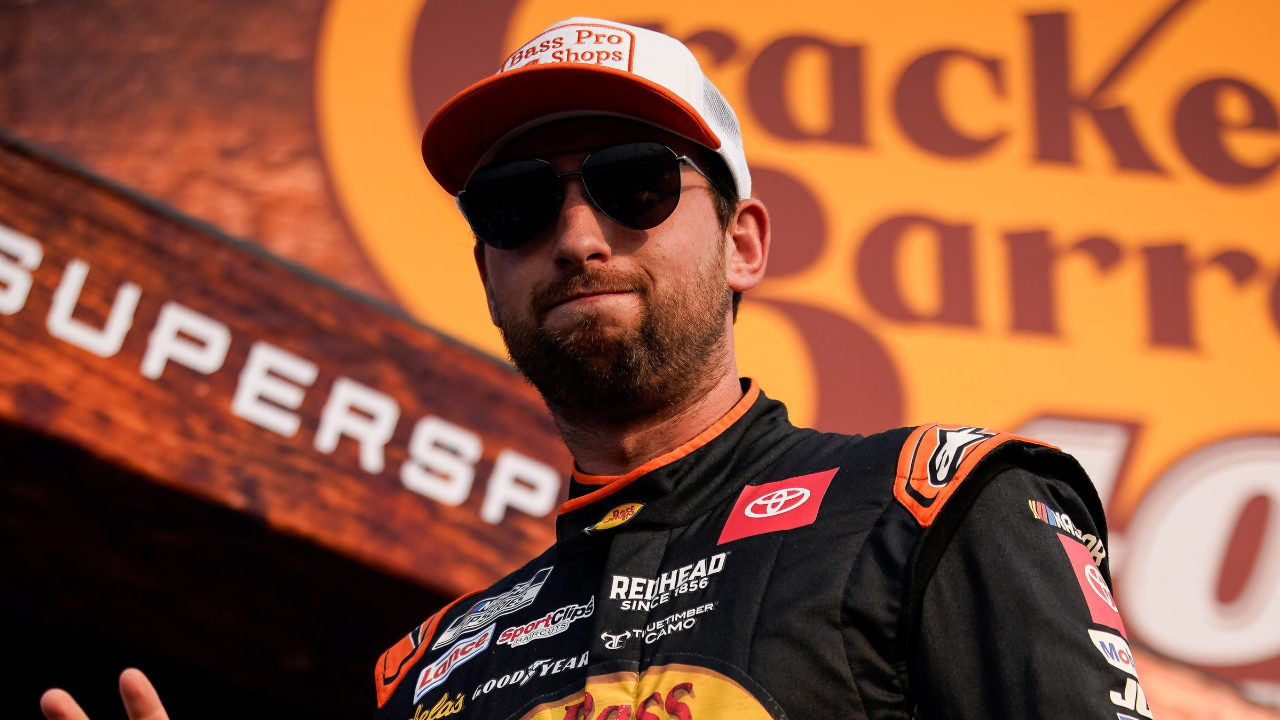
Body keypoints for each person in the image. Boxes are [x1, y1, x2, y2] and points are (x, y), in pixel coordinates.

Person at [41, 17, 1152, 720]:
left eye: (632, 186)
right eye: (517, 206)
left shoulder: (936, 509)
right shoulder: (429, 672)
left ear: (743, 242)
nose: (575, 235)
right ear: (484, 269)